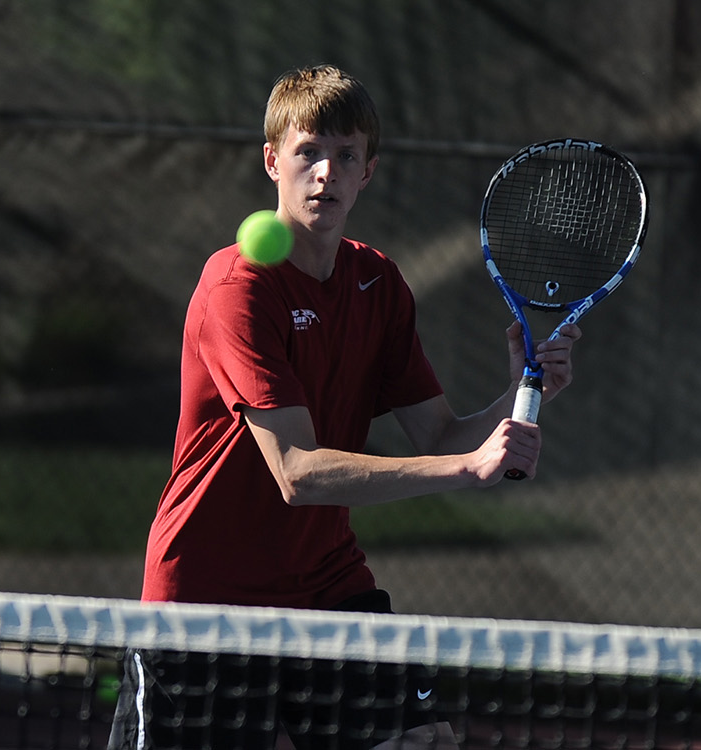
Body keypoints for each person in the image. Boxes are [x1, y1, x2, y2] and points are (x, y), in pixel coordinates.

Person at [109, 65, 580, 750]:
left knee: (423, 742)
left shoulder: (377, 284)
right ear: (272, 162)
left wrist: (520, 393)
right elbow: (297, 472)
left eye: (346, 155)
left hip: (324, 584)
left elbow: (440, 435)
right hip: (207, 603)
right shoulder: (238, 288)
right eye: (308, 152)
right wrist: (468, 469)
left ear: (368, 172)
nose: (326, 172)